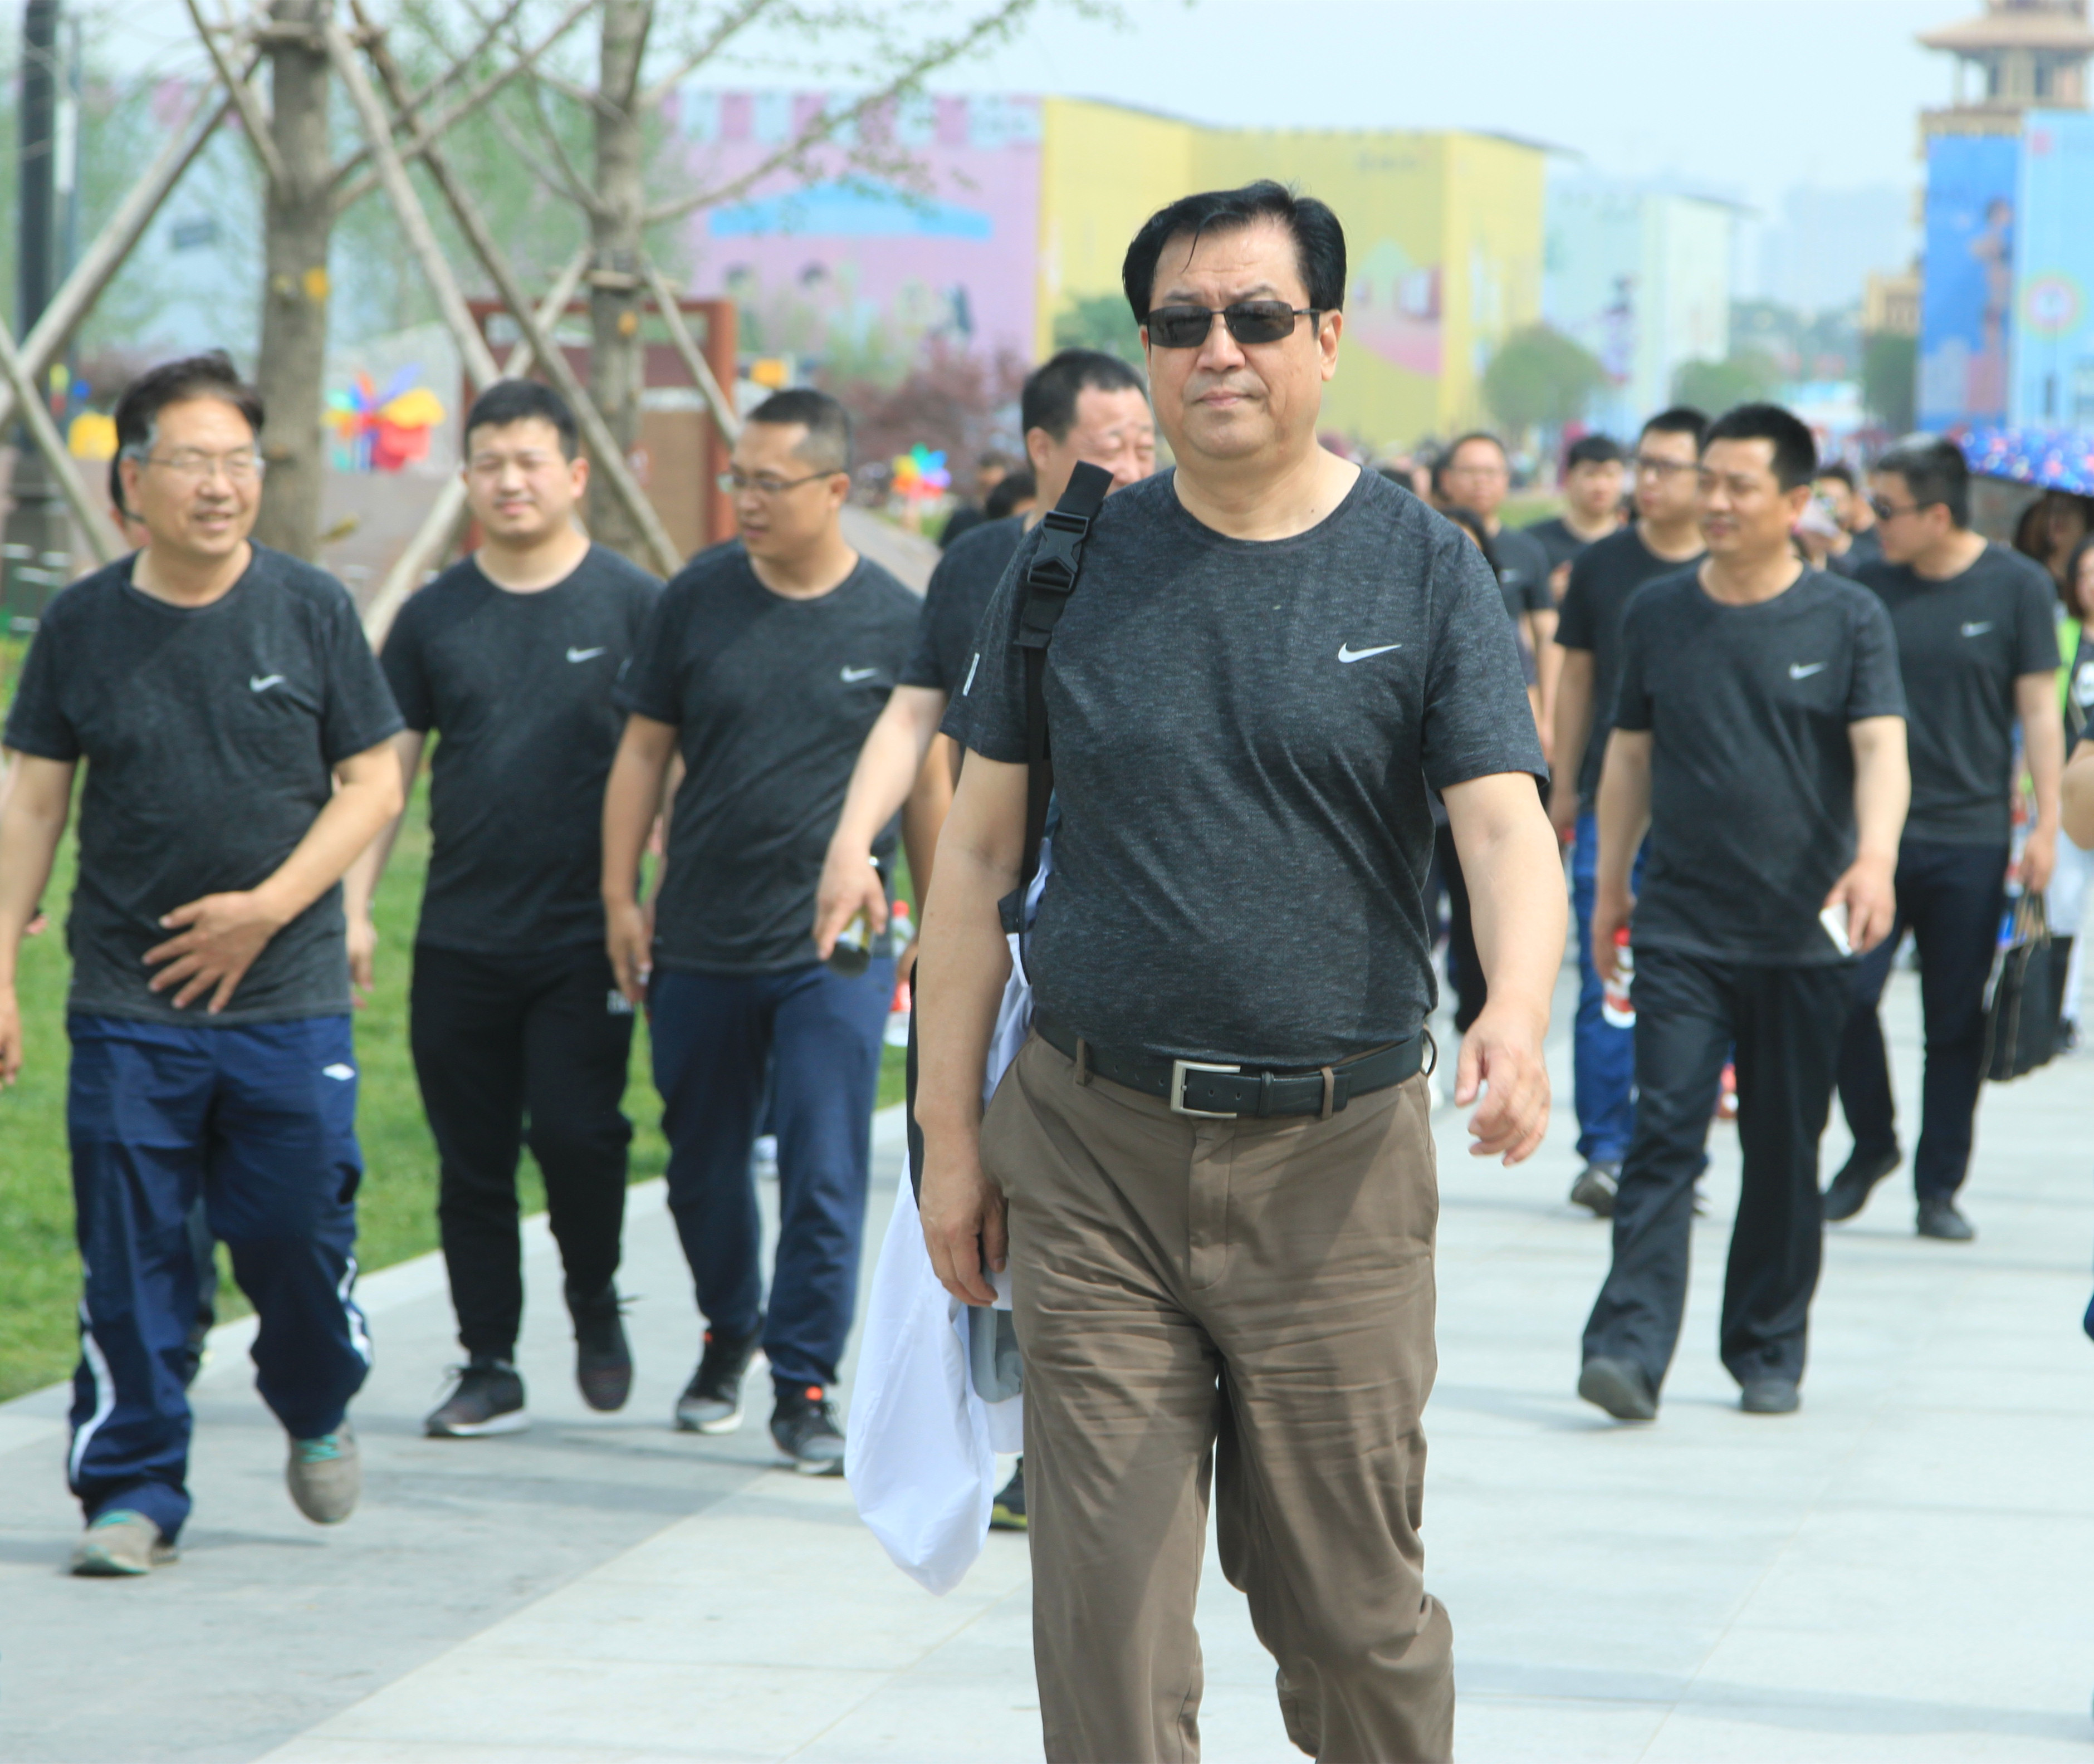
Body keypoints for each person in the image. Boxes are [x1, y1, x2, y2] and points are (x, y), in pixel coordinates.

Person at [916, 180, 1562, 1763]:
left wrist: (1517, 1010)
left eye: (1258, 317)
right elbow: (977, 857)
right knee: (1108, 1626)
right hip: (1093, 1151)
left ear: (1327, 337)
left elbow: (1501, 825)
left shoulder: (1424, 566)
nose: (1219, 349)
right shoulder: (1065, 565)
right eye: (1181, 322)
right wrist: (947, 1141)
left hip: (1336, 1167)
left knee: (1351, 1619)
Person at [0, 352, 405, 1575]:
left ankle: (315, 1394)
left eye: (240, 460)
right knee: (132, 1260)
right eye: (193, 461)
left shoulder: (310, 609)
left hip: (287, 1001)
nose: (221, 484)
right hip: (129, 1005)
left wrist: (270, 910)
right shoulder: (82, 625)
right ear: (132, 479)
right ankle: (132, 1489)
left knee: (296, 1235)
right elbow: (34, 801)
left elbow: (374, 784)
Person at [814, 350, 1155, 1530]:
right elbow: (916, 714)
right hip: (993, 927)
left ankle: (1061, 1442)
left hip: (1104, 932)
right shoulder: (981, 566)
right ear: (1043, 451)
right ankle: (997, 1432)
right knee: (975, 1183)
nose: (1135, 463)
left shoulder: (1170, 557)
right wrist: (853, 845)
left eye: (1145, 442)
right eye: (1111, 444)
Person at [603, 388, 918, 1474]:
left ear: (834, 490)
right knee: (701, 1165)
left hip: (835, 948)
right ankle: (729, 1325)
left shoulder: (894, 619)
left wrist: (936, 922)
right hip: (699, 934)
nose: (744, 500)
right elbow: (643, 753)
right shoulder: (696, 597)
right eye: (737, 479)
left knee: (825, 1167)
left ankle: (804, 1381)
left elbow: (926, 780)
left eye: (768, 484)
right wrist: (618, 896)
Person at [1579, 403, 1909, 1423]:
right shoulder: (1659, 611)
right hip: (1682, 925)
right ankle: (1628, 1347)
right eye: (1706, 481)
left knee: (1782, 1144)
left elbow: (1881, 748)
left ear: (1796, 501)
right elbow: (1629, 756)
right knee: (1665, 1133)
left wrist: (1875, 859)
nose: (1713, 501)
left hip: (1804, 932)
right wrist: (1609, 884)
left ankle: (1767, 1346)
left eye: (1738, 486)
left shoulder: (1848, 617)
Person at [344, 380, 662, 1436]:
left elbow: (674, 759)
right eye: (489, 464)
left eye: (529, 462)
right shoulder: (434, 615)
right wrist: (354, 907)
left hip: (587, 934)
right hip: (461, 937)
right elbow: (385, 775)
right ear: (467, 478)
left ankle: (593, 1297)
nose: (510, 481)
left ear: (575, 475)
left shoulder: (634, 604)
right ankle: (489, 1362)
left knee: (580, 1136)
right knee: (471, 1161)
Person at [1823, 435, 2061, 1241]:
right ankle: (1873, 1143)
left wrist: (2045, 826)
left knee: (1954, 1022)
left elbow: (2039, 712)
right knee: (1842, 994)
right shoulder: (1865, 587)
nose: (1873, 521)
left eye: (1885, 508)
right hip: (1871, 841)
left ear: (1937, 513)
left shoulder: (2017, 586)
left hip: (1971, 838)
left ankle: (1939, 1187)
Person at [1548, 407, 1709, 1217]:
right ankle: (1606, 1150)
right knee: (1605, 979)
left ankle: (1674, 1151)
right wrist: (1562, 785)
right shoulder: (1603, 565)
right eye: (1643, 465)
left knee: (1695, 988)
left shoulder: (1730, 568)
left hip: (1706, 816)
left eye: (1666, 467)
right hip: (1611, 805)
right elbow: (1576, 678)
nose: (1647, 481)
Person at [2048, 535, 2094, 1046]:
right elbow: (2039, 713)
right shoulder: (2061, 636)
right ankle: (2058, 1012)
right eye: (2086, 574)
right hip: (2068, 792)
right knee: (2062, 903)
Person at [1528, 432, 1627, 596]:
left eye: (1610, 475)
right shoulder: (1535, 543)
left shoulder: (1636, 545)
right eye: (1590, 474)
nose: (1601, 486)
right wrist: (1544, 594)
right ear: (1569, 478)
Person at [939, 449, 1020, 551]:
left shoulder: (1012, 520)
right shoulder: (962, 517)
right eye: (985, 485)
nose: (990, 492)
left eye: (995, 486)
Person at [1814, 462, 1881, 574]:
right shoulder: (1802, 552)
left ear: (1853, 501)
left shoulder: (1871, 556)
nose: (1831, 509)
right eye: (1823, 501)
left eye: (1837, 501)